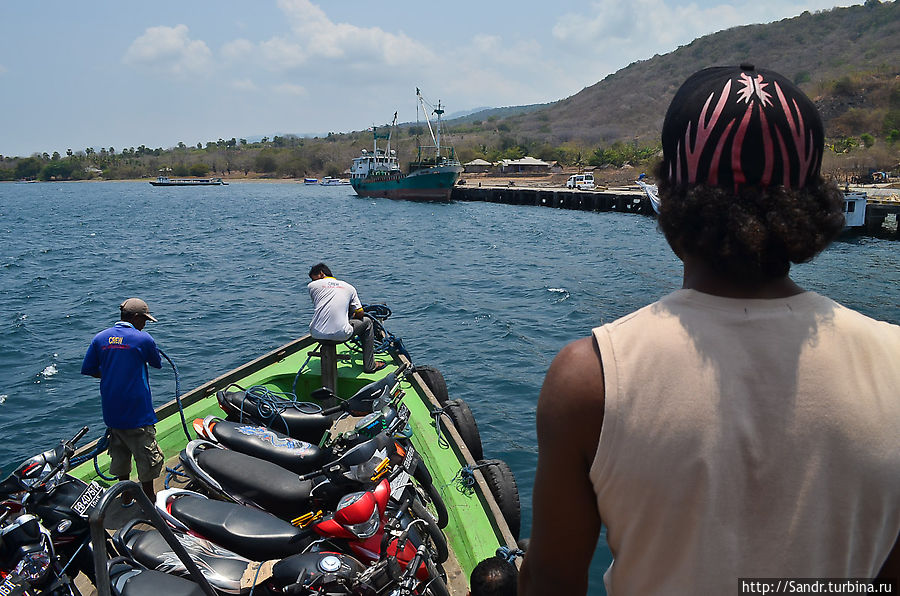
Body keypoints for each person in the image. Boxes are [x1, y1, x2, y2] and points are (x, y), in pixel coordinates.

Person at [519, 64, 900, 595]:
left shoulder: (592, 379)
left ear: (670, 194)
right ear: (811, 201)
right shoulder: (893, 363)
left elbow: (550, 583)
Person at [81, 298, 164, 505]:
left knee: (120, 455)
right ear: (135, 318)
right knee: (147, 457)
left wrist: (111, 374)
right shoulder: (143, 339)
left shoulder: (100, 338)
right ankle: (149, 499)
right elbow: (157, 363)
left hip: (112, 413)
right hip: (138, 412)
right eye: (144, 320)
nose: (145, 324)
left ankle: (126, 496)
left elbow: (89, 369)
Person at [307, 263, 385, 374]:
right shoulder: (349, 288)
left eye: (313, 279)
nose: (313, 281)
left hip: (316, 334)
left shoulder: (311, 286)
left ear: (321, 273)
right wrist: (352, 315)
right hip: (341, 336)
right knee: (367, 323)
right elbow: (361, 313)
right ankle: (370, 365)